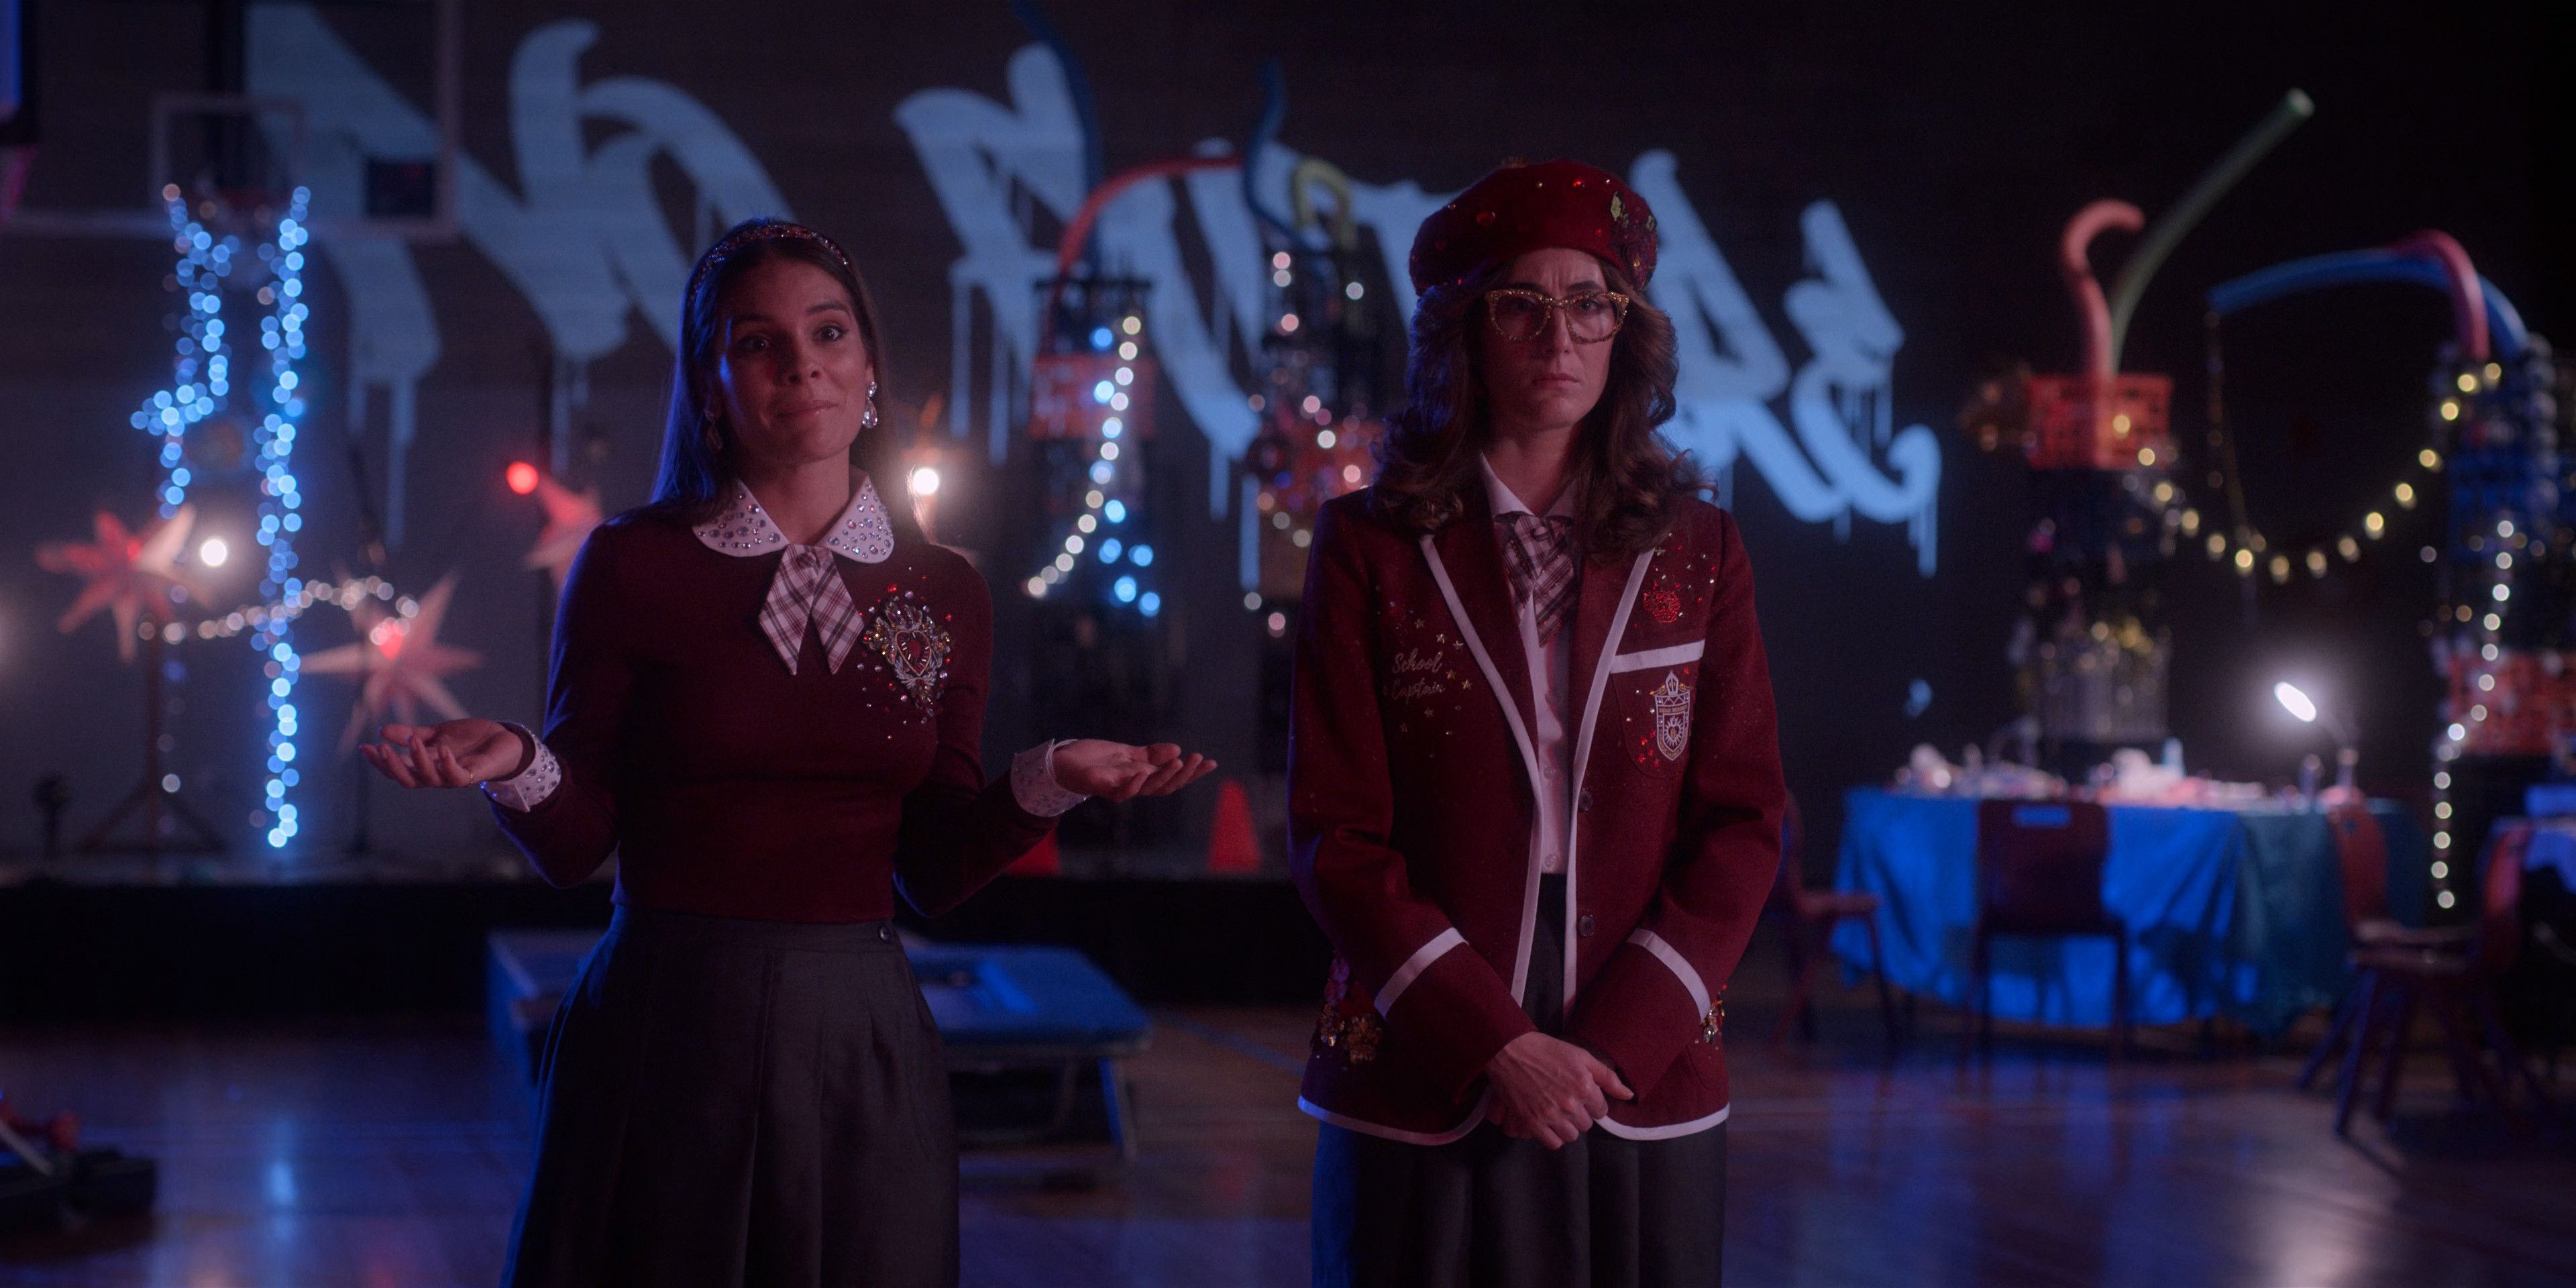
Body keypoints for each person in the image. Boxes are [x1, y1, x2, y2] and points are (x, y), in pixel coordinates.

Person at [358, 217, 1215, 1287]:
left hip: (863, 1046)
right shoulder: (633, 563)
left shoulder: (945, 587)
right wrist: (514, 761)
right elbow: (577, 848)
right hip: (667, 1035)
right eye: (757, 341)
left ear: (868, 370)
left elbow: (933, 868)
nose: (801, 363)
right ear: (711, 387)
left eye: (828, 332)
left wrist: (1049, 779)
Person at [1291, 160, 1784, 1288]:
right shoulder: (1368, 546)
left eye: (1590, 304)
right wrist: (1494, 1043)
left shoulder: (1701, 548)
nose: (1559, 337)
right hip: (1430, 1030)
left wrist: (1616, 1043)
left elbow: (1746, 820)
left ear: (1626, 332)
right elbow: (1335, 836)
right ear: (1466, 332)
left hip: (1641, 1028)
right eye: (1522, 304)